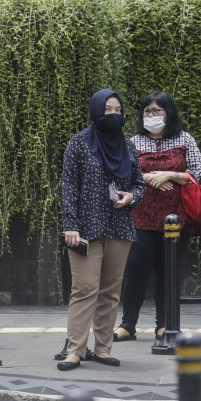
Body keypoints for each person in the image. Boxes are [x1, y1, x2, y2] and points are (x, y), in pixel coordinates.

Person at [58, 89, 145, 371]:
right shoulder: (79, 143)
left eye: (118, 110)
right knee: (84, 288)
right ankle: (75, 350)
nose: (114, 115)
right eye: (108, 109)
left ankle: (103, 349)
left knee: (110, 290)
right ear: (96, 111)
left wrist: (132, 197)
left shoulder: (128, 147)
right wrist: (71, 225)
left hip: (119, 227)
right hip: (86, 228)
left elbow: (139, 184)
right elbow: (69, 187)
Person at [114, 92, 201, 342]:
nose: (151, 116)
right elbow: (122, 174)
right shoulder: (132, 142)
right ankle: (127, 324)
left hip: (175, 217)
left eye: (157, 111)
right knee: (135, 266)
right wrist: (148, 178)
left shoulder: (184, 139)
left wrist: (170, 175)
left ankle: (165, 324)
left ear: (169, 114)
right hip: (141, 215)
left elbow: (198, 172)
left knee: (169, 270)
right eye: (147, 111)